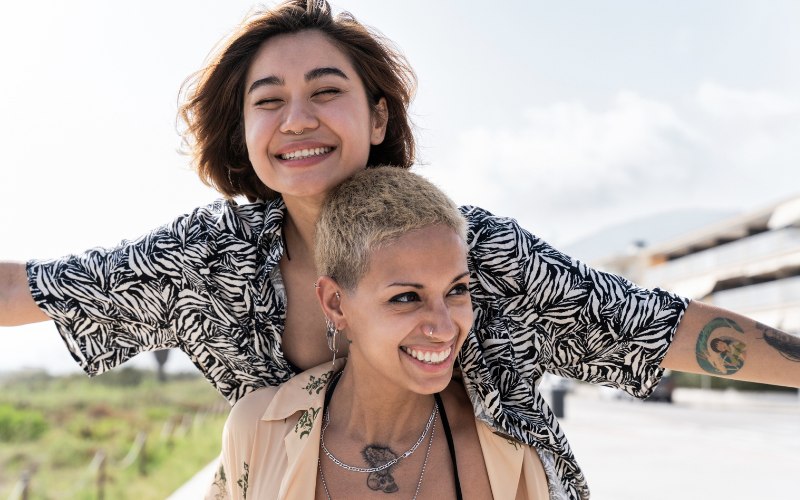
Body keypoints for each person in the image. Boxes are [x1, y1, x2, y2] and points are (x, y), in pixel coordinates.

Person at [0, 1, 797, 498]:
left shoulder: (473, 248)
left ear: (378, 118)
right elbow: (30, 290)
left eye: (326, 90)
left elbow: (653, 325)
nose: (297, 118)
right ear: (244, 134)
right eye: (268, 101)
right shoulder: (205, 262)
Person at [221, 167, 549, 499]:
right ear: (336, 304)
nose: (445, 328)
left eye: (456, 290)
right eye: (406, 297)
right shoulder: (258, 428)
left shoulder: (506, 446)